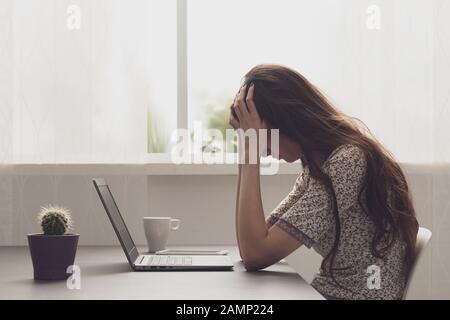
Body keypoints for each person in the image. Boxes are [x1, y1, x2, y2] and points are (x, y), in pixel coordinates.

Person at [230, 64, 418, 300]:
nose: (262, 148)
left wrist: (250, 156)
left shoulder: (348, 162)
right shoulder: (317, 167)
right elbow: (255, 242)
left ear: (283, 119)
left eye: (257, 130)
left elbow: (255, 254)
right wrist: (246, 153)